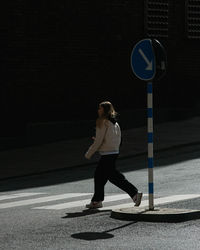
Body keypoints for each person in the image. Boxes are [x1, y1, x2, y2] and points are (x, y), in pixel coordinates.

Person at [85, 101, 142, 209]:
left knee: (114, 177)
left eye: (100, 108)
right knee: (100, 176)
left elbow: (99, 141)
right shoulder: (114, 123)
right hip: (114, 152)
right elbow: (119, 138)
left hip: (106, 153)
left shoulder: (102, 122)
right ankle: (97, 200)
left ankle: (134, 193)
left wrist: (89, 153)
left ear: (104, 110)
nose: (98, 110)